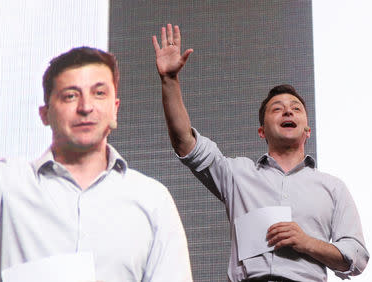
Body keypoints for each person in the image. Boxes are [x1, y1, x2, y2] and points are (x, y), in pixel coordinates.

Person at [0, 6, 193, 282]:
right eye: (69, 96)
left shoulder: (151, 200)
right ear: (45, 114)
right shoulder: (6, 186)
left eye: (99, 93)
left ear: (115, 109)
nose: (86, 107)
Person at [152, 23, 369, 282]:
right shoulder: (236, 174)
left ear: (307, 131)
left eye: (296, 109)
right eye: (277, 109)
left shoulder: (333, 188)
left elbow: (356, 256)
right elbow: (185, 142)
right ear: (262, 131)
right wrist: (169, 80)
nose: (288, 111)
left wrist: (306, 242)